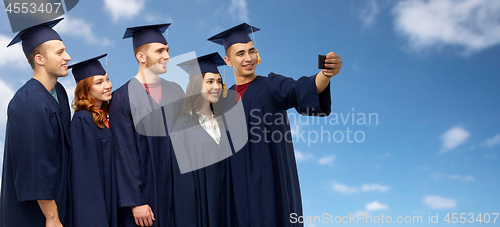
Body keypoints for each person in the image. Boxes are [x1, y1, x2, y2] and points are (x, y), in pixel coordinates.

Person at [208, 23, 342, 226]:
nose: (248, 58)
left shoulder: (270, 85)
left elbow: (300, 88)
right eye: (240, 53)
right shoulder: (222, 99)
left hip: (269, 180)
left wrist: (326, 74)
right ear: (228, 60)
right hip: (233, 183)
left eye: (252, 51)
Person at [109, 23, 184, 227]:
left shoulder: (176, 91)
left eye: (167, 50)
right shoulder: (122, 97)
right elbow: (124, 153)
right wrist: (136, 201)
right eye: (159, 51)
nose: (167, 56)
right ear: (141, 57)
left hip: (177, 192)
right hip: (145, 197)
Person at [1, 18, 72, 227]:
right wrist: (52, 217)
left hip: (60, 199)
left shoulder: (58, 92)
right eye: (59, 53)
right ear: (40, 59)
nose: (67, 57)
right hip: (37, 214)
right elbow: (34, 165)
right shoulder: (27, 101)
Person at [171, 52, 233, 227]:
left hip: (229, 208)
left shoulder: (225, 122)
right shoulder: (182, 125)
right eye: (210, 81)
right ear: (197, 85)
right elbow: (183, 185)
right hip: (202, 212)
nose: (217, 86)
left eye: (219, 81)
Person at [68, 54, 118, 227]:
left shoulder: (107, 118)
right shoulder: (83, 120)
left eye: (107, 79)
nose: (108, 86)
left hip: (114, 200)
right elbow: (84, 178)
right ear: (85, 90)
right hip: (99, 205)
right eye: (99, 82)